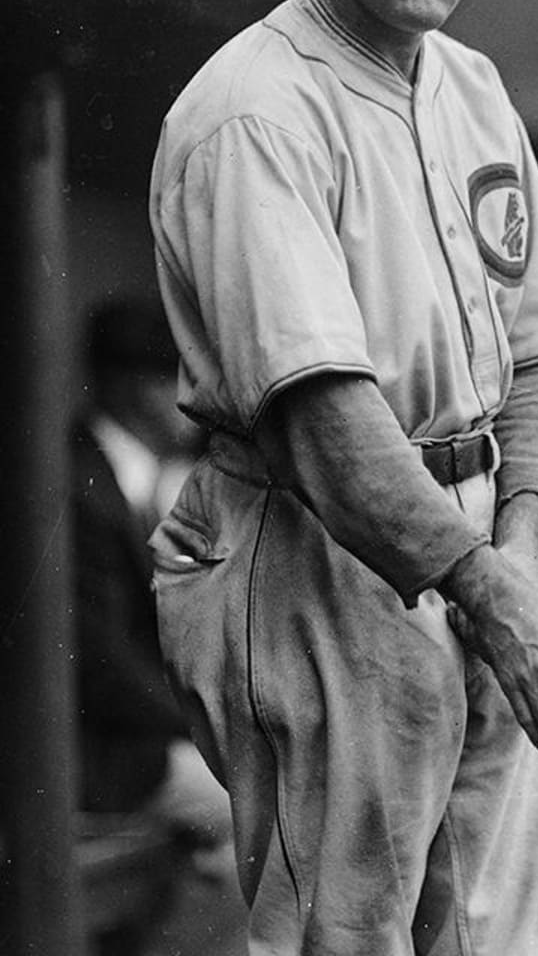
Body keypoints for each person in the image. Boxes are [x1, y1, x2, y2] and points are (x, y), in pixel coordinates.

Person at [145, 0, 538, 954]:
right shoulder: (256, 107)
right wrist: (498, 596)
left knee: (512, 933)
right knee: (344, 936)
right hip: (304, 546)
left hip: (464, 534)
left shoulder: (472, 84)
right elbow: (324, 424)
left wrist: (515, 564)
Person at [71, 297, 239, 936]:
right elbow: (101, 662)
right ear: (136, 388)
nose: (199, 401)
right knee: (258, 809)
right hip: (99, 757)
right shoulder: (79, 483)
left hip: (127, 740)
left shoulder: (122, 475)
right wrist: (204, 725)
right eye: (181, 380)